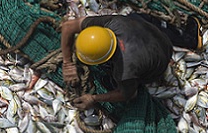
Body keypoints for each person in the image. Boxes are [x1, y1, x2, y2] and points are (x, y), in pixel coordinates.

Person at [61, 13, 203, 110]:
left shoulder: (124, 70)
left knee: (109, 80)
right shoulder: (113, 23)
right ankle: (188, 39)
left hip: (160, 60)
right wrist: (67, 63)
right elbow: (68, 27)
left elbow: (128, 94)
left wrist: (93, 98)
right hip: (155, 35)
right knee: (134, 17)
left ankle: (187, 42)